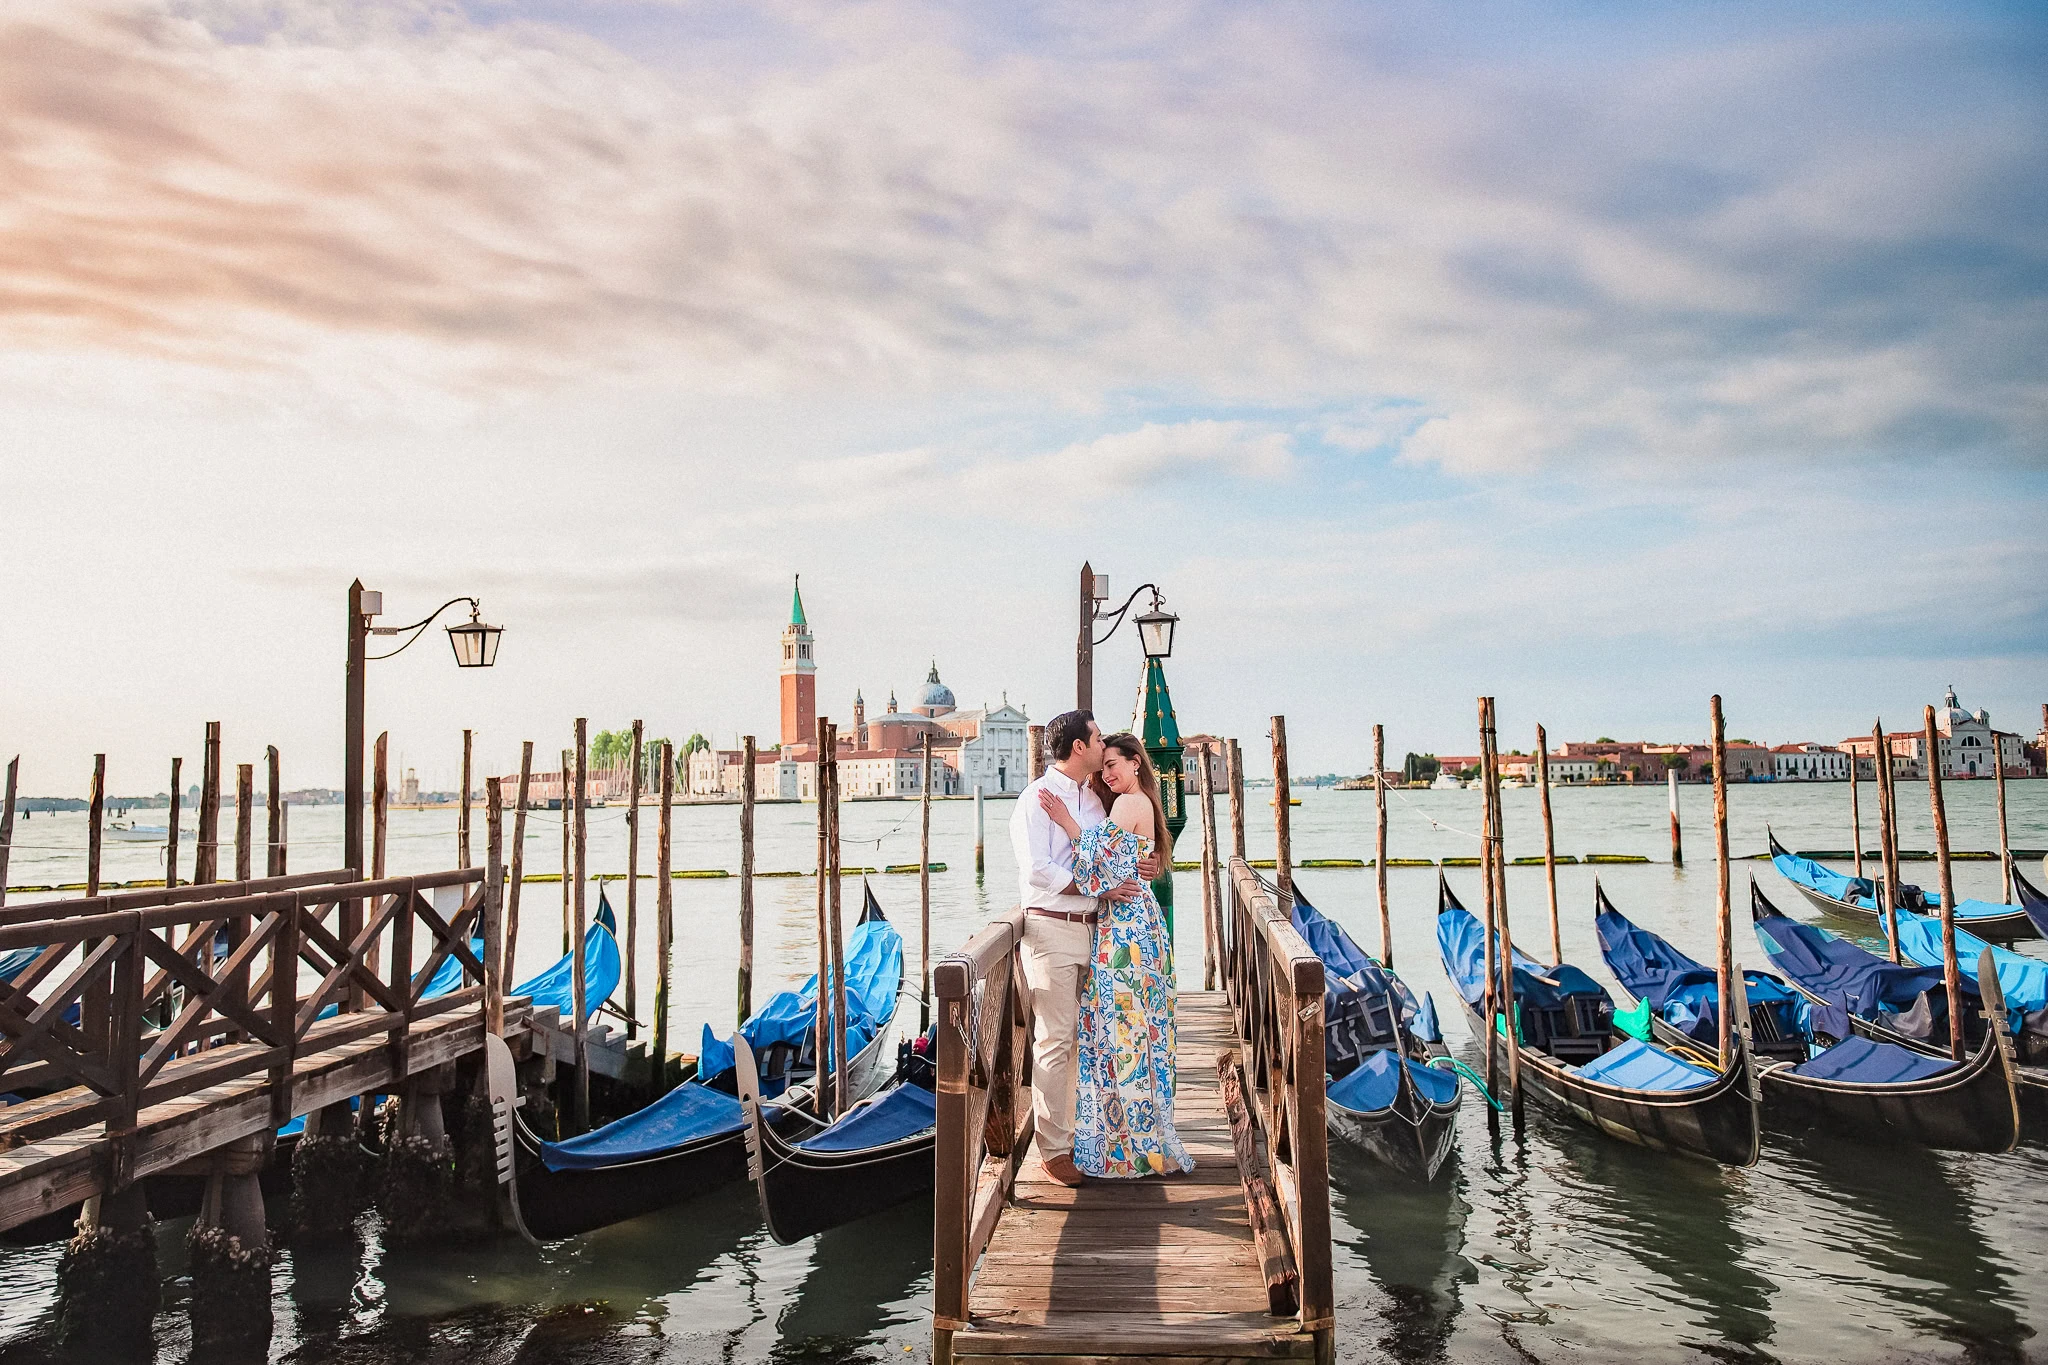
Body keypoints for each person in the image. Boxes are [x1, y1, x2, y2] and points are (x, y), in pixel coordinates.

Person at [1009, 710, 1153, 1187]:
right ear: (1079, 748)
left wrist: (1138, 869)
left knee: (1090, 1040)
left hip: (1099, 931)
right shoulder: (1035, 800)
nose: (1101, 746)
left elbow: (1115, 852)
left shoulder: (1094, 800)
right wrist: (1098, 886)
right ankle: (1053, 1150)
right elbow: (1038, 870)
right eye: (1095, 739)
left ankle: (1087, 1137)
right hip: (1050, 929)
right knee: (1055, 1039)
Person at [1038, 732, 1192, 1178]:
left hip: (1125, 929)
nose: (1107, 773)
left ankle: (1130, 1145)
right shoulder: (1135, 801)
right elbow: (1131, 858)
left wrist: (1067, 821)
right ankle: (1135, 1137)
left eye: (1114, 764)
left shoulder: (1128, 804)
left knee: (1121, 1029)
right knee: (1132, 1027)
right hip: (1134, 922)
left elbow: (1093, 859)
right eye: (1103, 766)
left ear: (1136, 764)